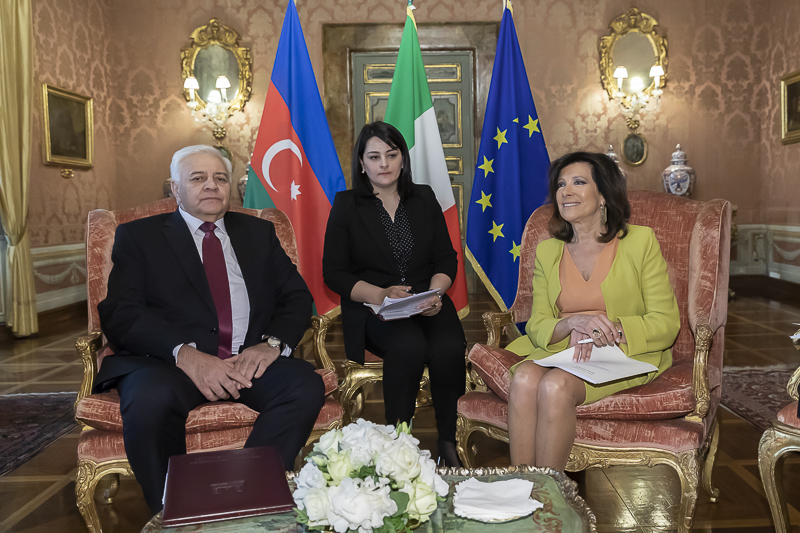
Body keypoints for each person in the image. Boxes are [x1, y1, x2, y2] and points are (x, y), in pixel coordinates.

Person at [94, 145, 325, 514]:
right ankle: (174, 510)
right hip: (170, 364)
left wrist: (271, 345)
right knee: (148, 400)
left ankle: (246, 499)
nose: (211, 186)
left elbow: (296, 297)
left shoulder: (259, 233)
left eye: (220, 178)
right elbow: (121, 313)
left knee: (303, 385)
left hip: (248, 360)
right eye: (198, 178)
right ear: (175, 188)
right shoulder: (140, 237)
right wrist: (185, 355)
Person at [506, 151, 680, 471]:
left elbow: (666, 322)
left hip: (621, 352)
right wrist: (574, 323)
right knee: (525, 378)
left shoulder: (640, 241)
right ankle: (522, 488)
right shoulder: (548, 250)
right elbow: (538, 323)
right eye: (561, 184)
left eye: (579, 182)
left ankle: (550, 498)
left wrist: (608, 329)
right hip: (563, 350)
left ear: (603, 195)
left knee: (554, 386)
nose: (566, 191)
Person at [323, 122, 467, 467]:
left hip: (428, 300)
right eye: (374, 156)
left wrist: (436, 292)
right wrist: (381, 294)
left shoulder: (425, 198)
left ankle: (448, 443)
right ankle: (399, 443)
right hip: (375, 307)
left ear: (403, 158)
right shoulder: (346, 205)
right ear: (362, 163)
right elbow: (335, 273)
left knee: (448, 347)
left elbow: (446, 257)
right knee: (409, 346)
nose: (384, 163)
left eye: (391, 154)